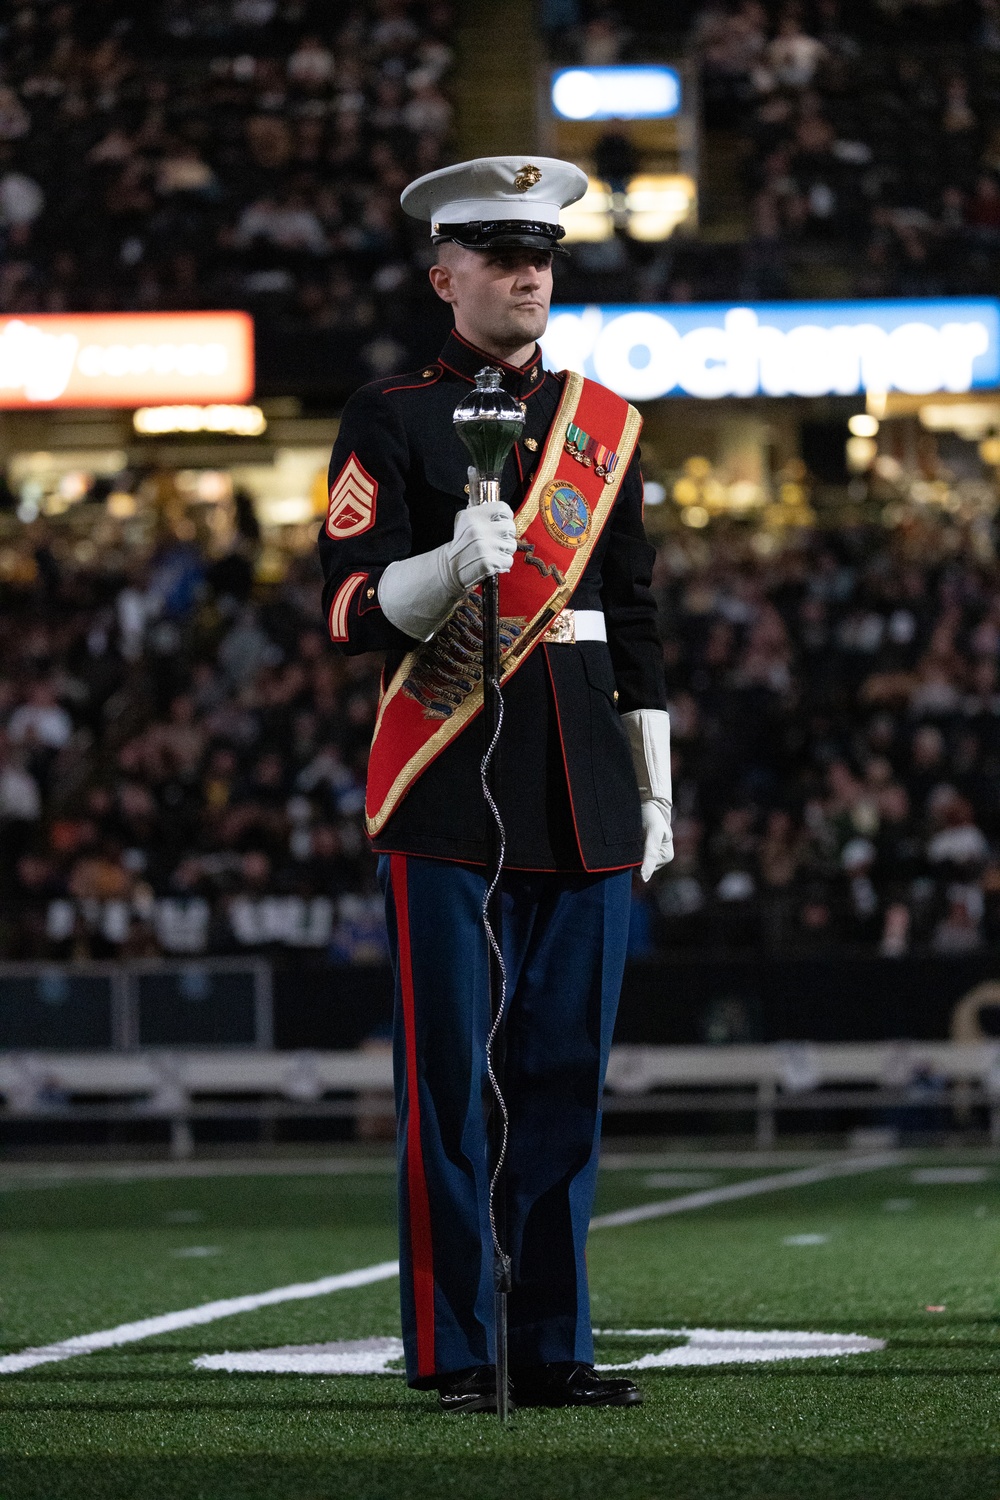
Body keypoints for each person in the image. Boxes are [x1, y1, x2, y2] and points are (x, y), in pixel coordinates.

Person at [318, 155, 673, 1412]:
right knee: (452, 1091)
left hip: (583, 783)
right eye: (500, 254)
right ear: (443, 275)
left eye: (543, 254)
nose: (530, 271)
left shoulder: (603, 423)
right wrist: (438, 570)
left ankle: (553, 1346)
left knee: (566, 1079)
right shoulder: (389, 413)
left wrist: (657, 785)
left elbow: (632, 618)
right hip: (448, 780)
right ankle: (459, 1349)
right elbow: (348, 606)